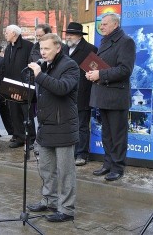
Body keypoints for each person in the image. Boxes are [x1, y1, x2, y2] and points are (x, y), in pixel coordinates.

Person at [25, 33, 79, 222]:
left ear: (58, 48)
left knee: (65, 172)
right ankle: (49, 201)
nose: (43, 52)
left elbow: (62, 88)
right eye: (41, 48)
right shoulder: (45, 66)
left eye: (47, 48)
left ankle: (66, 209)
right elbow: (42, 95)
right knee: (47, 168)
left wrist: (39, 75)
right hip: (46, 126)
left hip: (63, 126)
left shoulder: (70, 66)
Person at [87, 13, 136, 181]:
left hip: (116, 97)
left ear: (115, 24)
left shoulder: (126, 42)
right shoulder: (105, 40)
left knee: (118, 135)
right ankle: (108, 164)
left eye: (105, 24)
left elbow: (125, 70)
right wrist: (93, 73)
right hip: (103, 95)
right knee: (107, 134)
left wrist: (100, 74)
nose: (101, 26)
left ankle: (118, 167)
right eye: (101, 24)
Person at [62, 22, 98, 166]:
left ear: (79, 36)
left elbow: (93, 73)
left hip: (82, 94)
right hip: (65, 93)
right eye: (67, 33)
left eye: (71, 34)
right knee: (68, 125)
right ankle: (70, 152)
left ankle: (82, 154)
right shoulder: (64, 49)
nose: (68, 36)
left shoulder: (90, 49)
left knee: (82, 126)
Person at [2, 24, 36, 148]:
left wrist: (28, 83)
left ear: (14, 34)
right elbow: (5, 65)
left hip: (23, 85)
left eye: (7, 32)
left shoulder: (28, 46)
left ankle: (31, 138)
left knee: (26, 113)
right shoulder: (8, 48)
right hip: (10, 85)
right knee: (14, 112)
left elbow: (31, 66)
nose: (5, 34)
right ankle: (19, 136)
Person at [0, 44, 14, 137]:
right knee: (6, 113)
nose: (3, 54)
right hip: (1, 92)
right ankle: (11, 131)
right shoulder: (1, 61)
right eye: (2, 52)